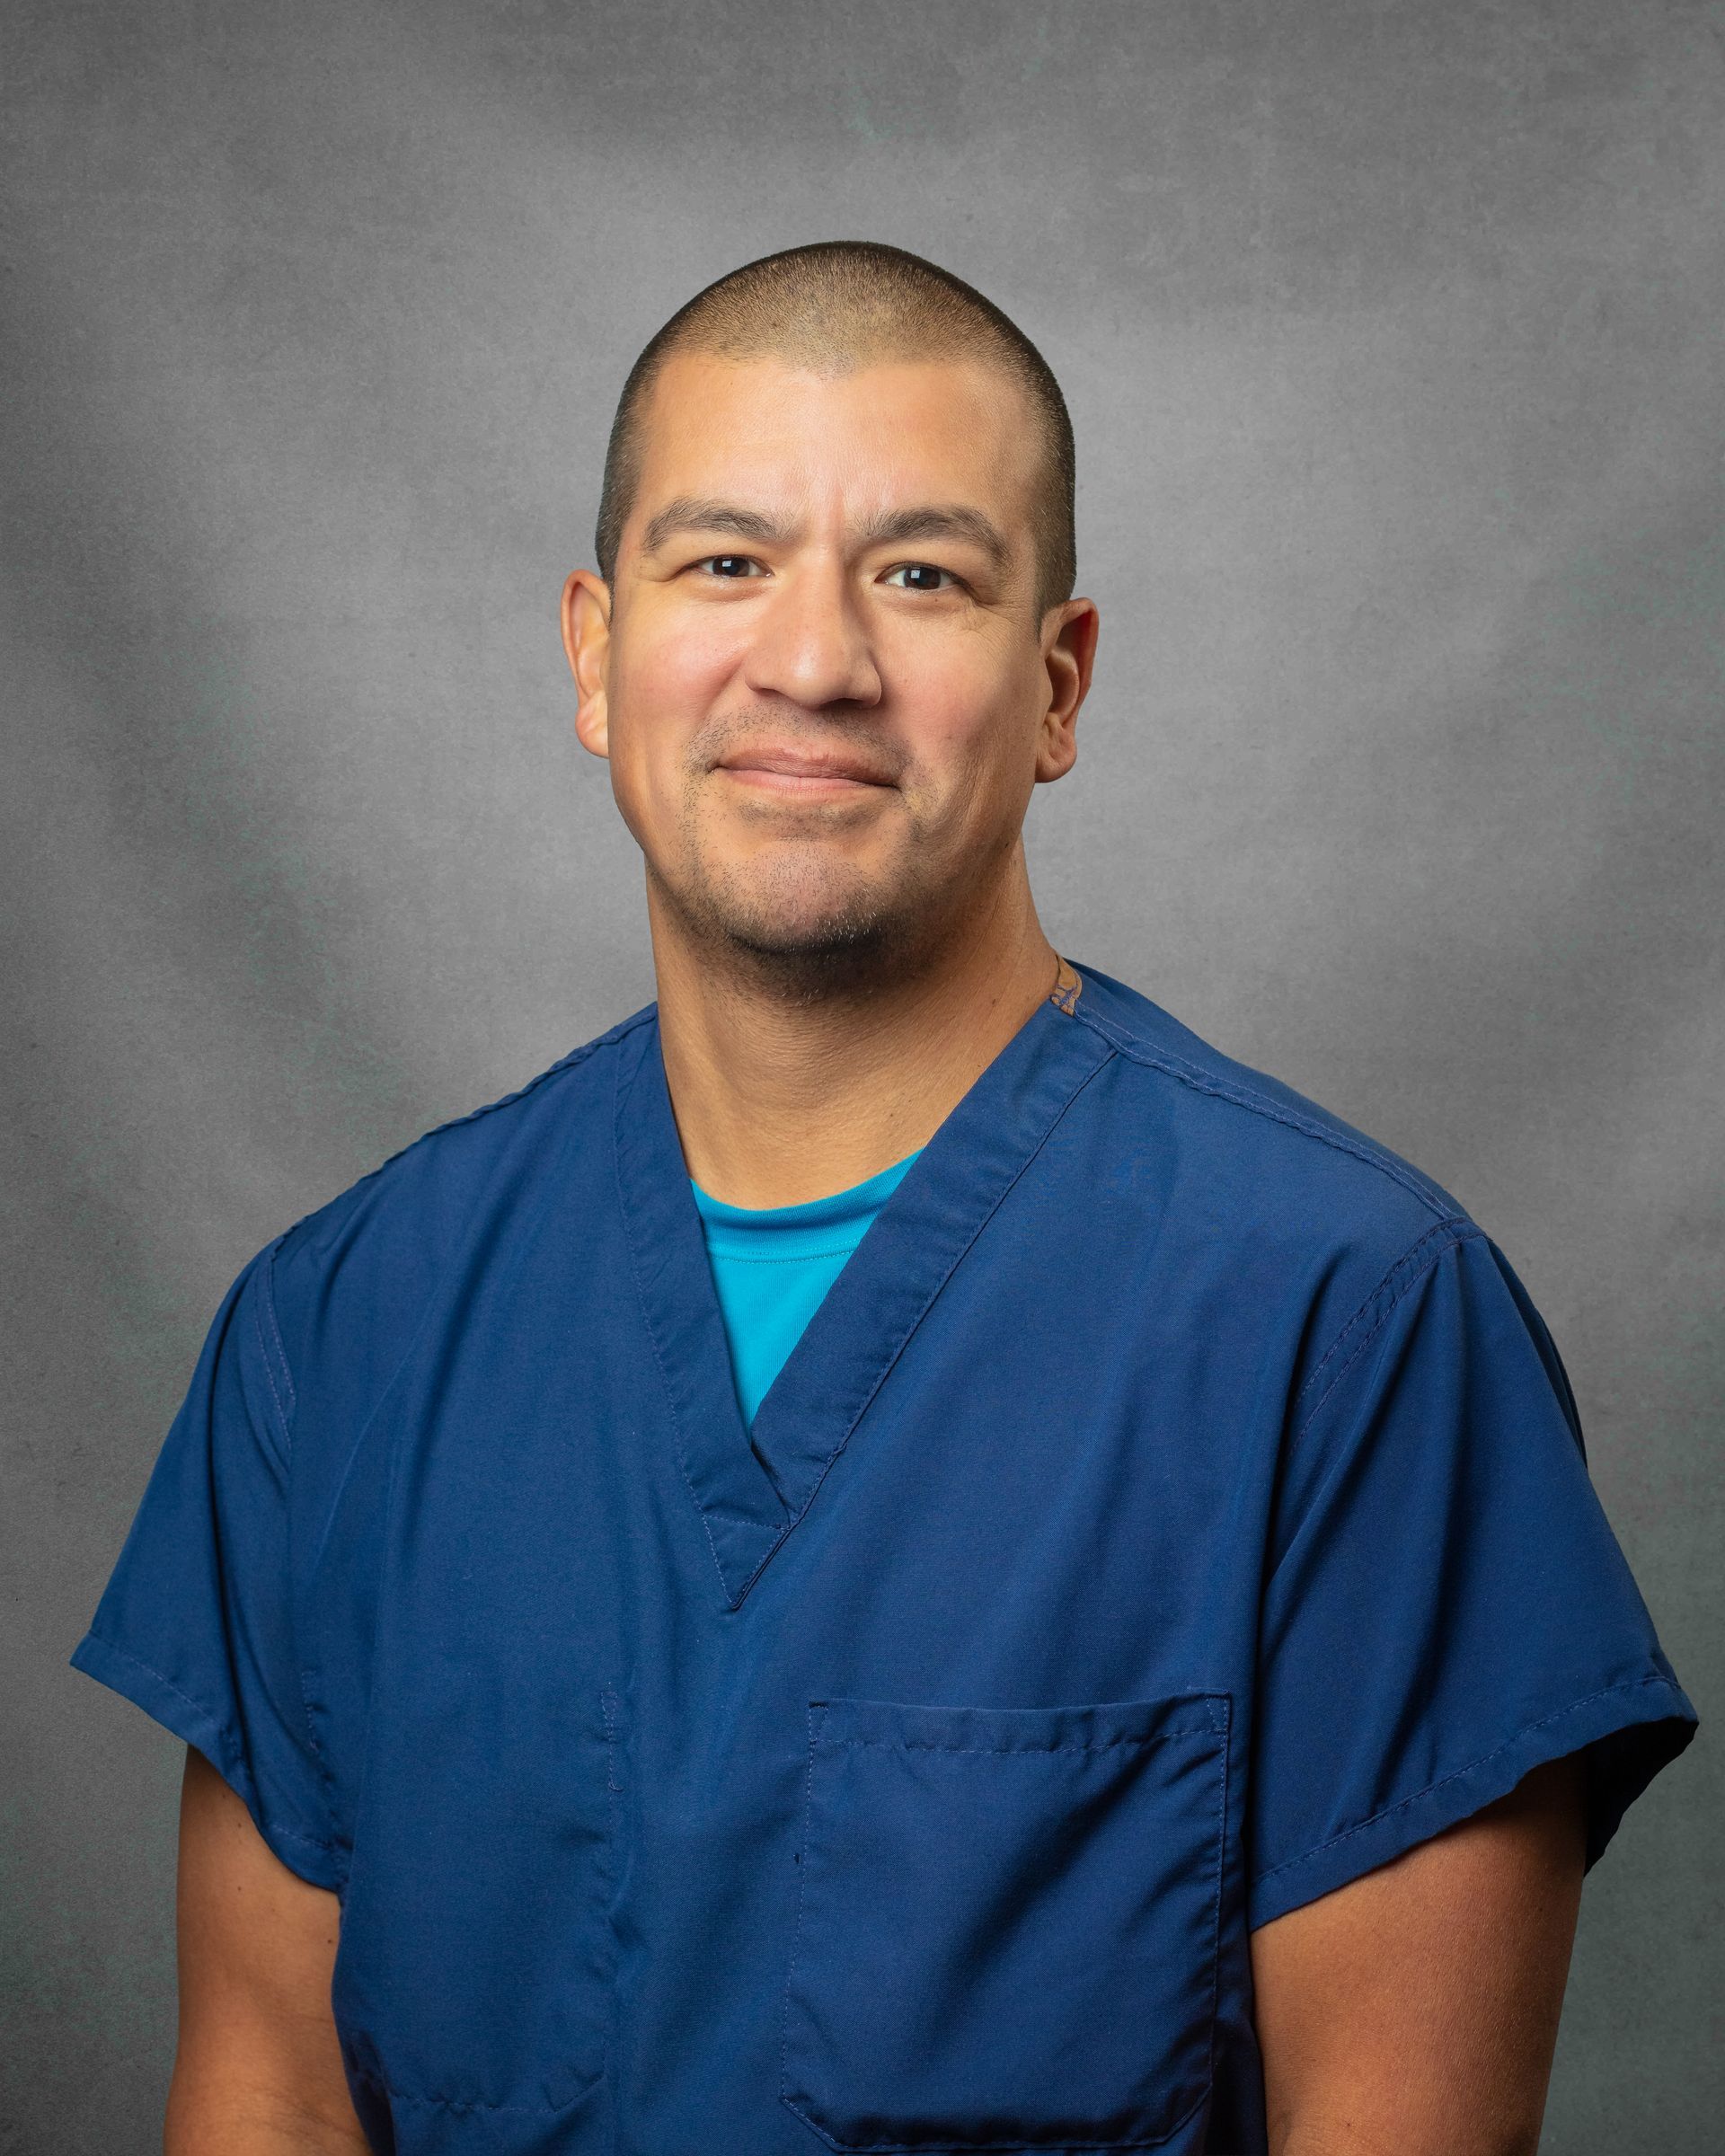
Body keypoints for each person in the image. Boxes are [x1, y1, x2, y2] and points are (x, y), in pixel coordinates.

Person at [70, 240, 1696, 2156]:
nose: (817, 661)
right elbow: (266, 2095)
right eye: (725, 562)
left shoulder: (1348, 1329)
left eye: (923, 574)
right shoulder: (339, 1336)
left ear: (1060, 680)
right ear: (598, 654)